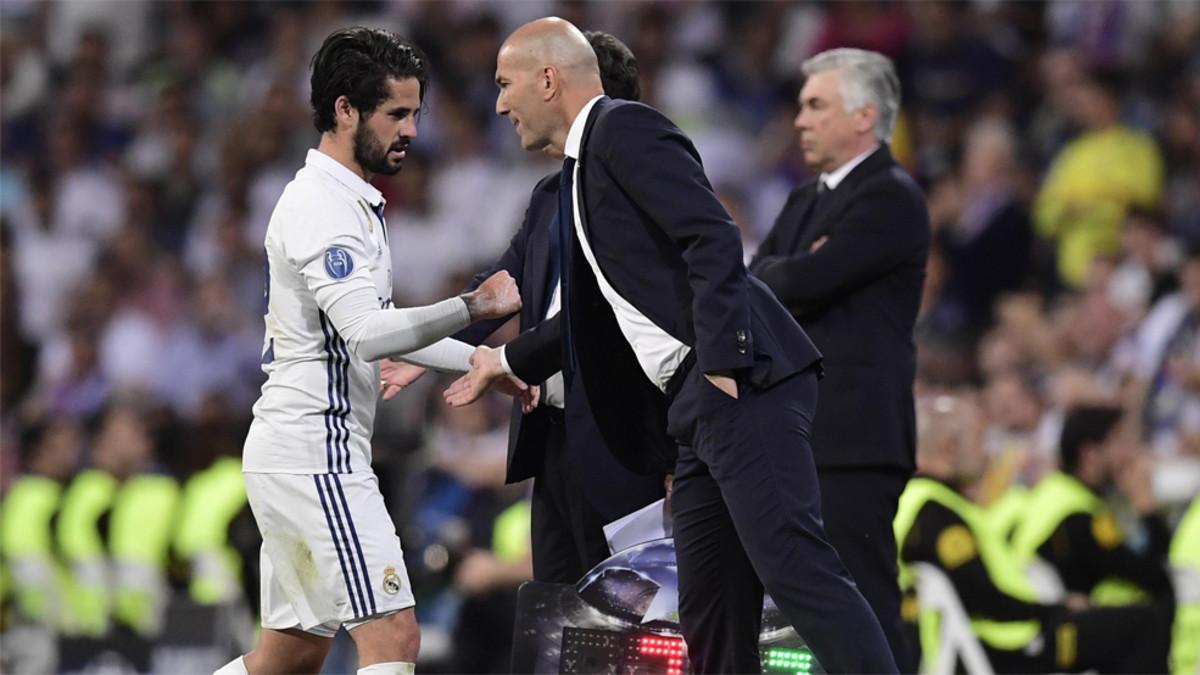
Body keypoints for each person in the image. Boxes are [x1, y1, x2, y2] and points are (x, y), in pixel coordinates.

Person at [453, 17, 895, 672]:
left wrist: (721, 364)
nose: (497, 103)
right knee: (711, 604)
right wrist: (484, 353)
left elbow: (711, 234)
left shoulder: (621, 128)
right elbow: (588, 315)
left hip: (739, 381)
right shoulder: (571, 183)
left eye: (504, 83)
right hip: (693, 409)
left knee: (797, 569)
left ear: (548, 78)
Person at [214, 27, 520, 675]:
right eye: (397, 114)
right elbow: (370, 335)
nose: (412, 129)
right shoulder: (323, 208)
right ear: (346, 110)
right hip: (316, 453)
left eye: (416, 113)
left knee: (290, 655)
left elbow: (376, 325)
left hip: (298, 451)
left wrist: (486, 363)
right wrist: (475, 307)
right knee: (394, 638)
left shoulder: (346, 200)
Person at [382, 31, 663, 584]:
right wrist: (432, 350)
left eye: (510, 86)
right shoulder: (548, 195)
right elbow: (499, 285)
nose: (502, 105)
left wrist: (508, 360)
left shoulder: (638, 188)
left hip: (624, 436)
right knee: (555, 618)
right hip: (554, 437)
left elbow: (605, 315)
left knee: (632, 617)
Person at [748, 47, 929, 671]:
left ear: (864, 116)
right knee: (794, 619)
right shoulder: (805, 201)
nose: (800, 119)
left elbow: (798, 283)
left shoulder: (891, 197)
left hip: (855, 440)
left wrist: (787, 273)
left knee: (866, 602)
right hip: (799, 435)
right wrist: (786, 272)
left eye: (816, 105)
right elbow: (758, 279)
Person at [899, 396, 1172, 673]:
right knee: (1146, 625)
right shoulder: (937, 515)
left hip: (989, 640)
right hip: (1007, 648)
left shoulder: (921, 502)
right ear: (950, 447)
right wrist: (1054, 610)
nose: (987, 454)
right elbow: (984, 598)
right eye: (980, 441)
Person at [1011, 405, 1176, 609]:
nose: (1130, 452)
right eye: (1119, 442)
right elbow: (1158, 578)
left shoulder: (1055, 491)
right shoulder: (1079, 519)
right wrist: (1147, 508)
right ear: (1090, 453)